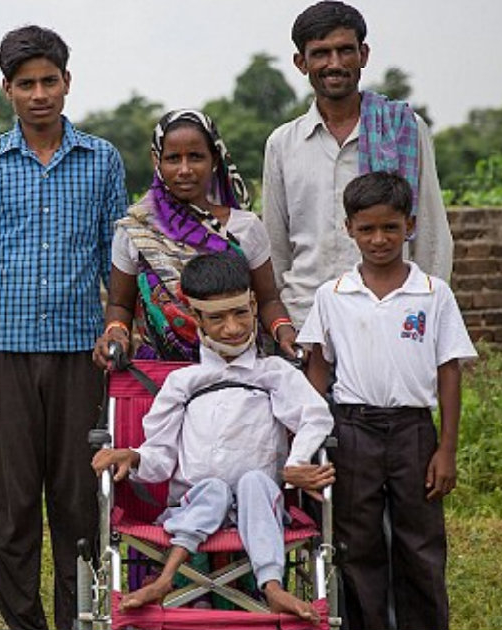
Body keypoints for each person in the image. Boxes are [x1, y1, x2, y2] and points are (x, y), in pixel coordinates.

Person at [0, 24, 128, 630]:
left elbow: (120, 256)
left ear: (66, 83)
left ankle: (77, 619)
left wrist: (117, 323)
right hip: (3, 355)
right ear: (7, 90)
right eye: (25, 84)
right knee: (12, 506)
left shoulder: (102, 158)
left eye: (48, 81)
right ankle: (23, 622)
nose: (38, 94)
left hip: (83, 357)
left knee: (80, 504)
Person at [91, 251, 334, 620]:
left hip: (261, 507)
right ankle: (166, 578)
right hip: (195, 505)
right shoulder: (183, 382)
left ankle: (271, 587)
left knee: (253, 481)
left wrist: (296, 463)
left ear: (254, 305)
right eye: (217, 318)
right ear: (196, 319)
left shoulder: (272, 374)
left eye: (240, 313)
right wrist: (134, 456)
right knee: (214, 489)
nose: (233, 328)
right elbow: (159, 460)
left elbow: (315, 417)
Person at [297, 171, 477, 630]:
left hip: (413, 431)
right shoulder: (332, 296)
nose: (379, 239)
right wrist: (308, 440)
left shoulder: (434, 294)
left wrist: (447, 449)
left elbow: (449, 371)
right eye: (367, 229)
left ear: (410, 225)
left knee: (419, 541)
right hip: (352, 431)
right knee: (356, 542)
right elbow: (318, 370)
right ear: (349, 229)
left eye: (390, 228)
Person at [262, 0, 454, 331]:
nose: (334, 64)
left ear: (363, 55)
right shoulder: (282, 143)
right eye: (321, 53)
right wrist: (281, 324)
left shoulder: (404, 129)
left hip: (391, 315)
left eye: (345, 51)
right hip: (307, 318)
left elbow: (432, 234)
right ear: (301, 62)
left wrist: (427, 317)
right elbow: (276, 248)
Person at [93, 109, 297, 368]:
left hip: (238, 371)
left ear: (215, 159)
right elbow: (119, 304)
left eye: (196, 157)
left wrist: (284, 331)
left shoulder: (245, 228)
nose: (185, 169)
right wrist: (115, 332)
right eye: (173, 158)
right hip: (160, 376)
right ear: (157, 161)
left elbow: (268, 300)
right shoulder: (135, 230)